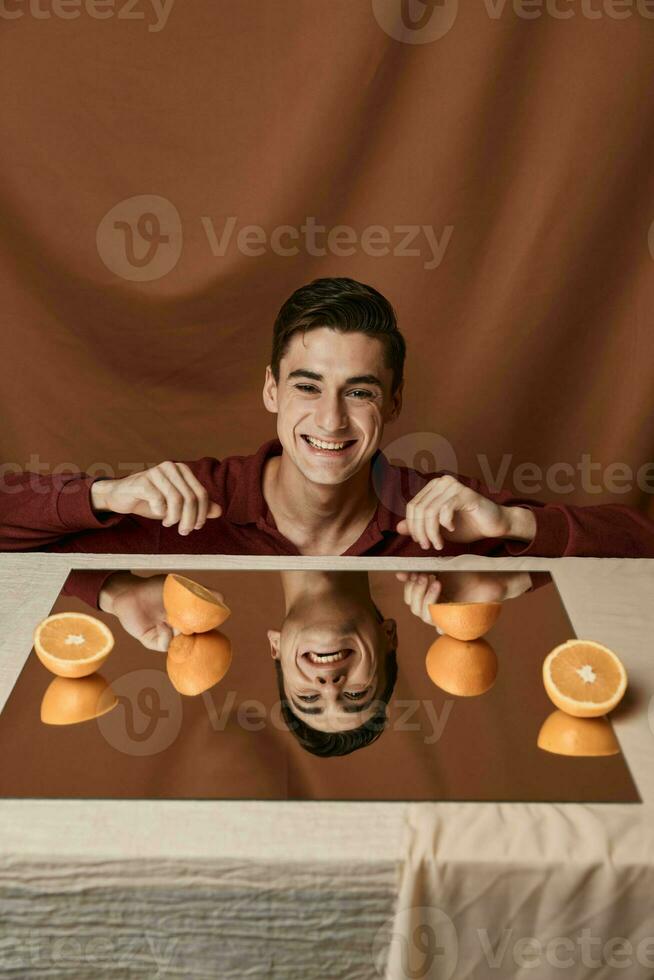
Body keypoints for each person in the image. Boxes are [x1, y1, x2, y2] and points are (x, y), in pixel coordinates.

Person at [3, 277, 654, 608]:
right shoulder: (190, 501)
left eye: (361, 391)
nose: (332, 419)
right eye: (308, 387)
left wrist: (516, 525)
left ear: (394, 402)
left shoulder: (436, 510)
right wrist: (108, 535)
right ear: (270, 391)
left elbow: (641, 551)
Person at [83, 567, 535, 756]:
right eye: (356, 693)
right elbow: (607, 530)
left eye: (309, 697)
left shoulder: (217, 539)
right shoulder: (423, 526)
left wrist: (117, 589)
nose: (331, 684)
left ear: (276, 647)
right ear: (390, 636)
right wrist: (513, 576)